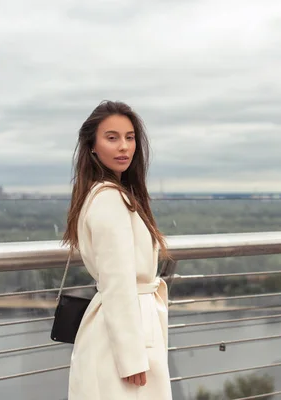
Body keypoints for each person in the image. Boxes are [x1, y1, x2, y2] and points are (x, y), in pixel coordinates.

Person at [61, 100, 172, 399]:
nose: (124, 146)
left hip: (129, 328)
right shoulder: (110, 200)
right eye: (112, 138)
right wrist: (131, 358)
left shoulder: (105, 194)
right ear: (93, 146)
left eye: (130, 137)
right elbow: (116, 281)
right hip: (126, 336)